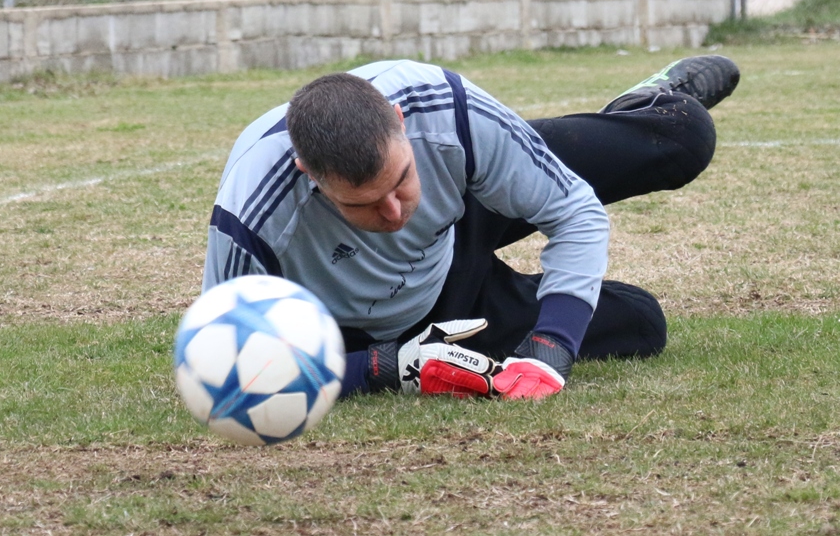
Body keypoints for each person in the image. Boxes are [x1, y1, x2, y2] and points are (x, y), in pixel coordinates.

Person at [202, 55, 740, 400]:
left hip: (463, 213)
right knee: (642, 322)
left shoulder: (442, 104)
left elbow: (575, 211)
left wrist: (552, 346)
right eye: (364, 204)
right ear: (308, 174)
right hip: (410, 324)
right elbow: (228, 369)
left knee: (681, 135)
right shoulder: (251, 215)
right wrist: (379, 367)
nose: (394, 212)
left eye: (400, 181)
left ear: (399, 121)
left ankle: (635, 105)